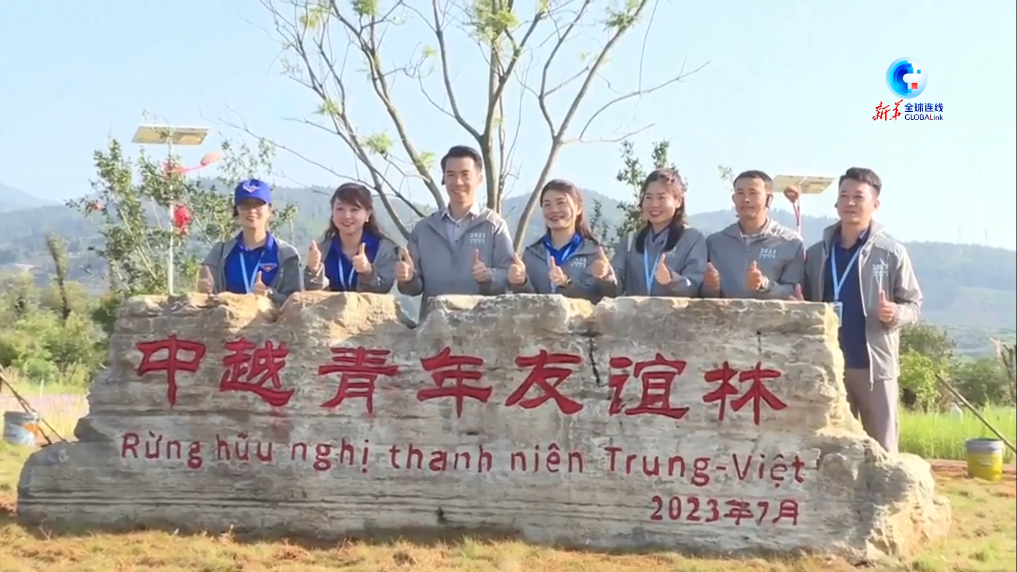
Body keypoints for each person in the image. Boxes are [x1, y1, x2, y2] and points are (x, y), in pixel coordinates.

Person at [801, 167, 922, 455]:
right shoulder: (818, 253)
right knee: (834, 448)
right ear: (836, 203)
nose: (850, 203)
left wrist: (895, 314)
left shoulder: (891, 252)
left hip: (874, 368)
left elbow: (914, 305)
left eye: (858, 197)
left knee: (883, 450)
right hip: (829, 365)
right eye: (844, 196)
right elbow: (807, 300)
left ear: (875, 205)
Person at [396, 145, 514, 320]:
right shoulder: (425, 229)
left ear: (479, 178)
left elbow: (509, 275)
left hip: (482, 328)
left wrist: (489, 276)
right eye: (451, 175)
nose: (458, 182)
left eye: (465, 175)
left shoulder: (493, 225)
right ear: (443, 179)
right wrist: (408, 278)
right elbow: (413, 288)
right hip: (434, 326)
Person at [701, 170, 805, 299]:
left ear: (769, 199)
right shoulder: (715, 243)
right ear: (733, 199)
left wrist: (764, 284)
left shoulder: (790, 242)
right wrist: (711, 287)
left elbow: (794, 291)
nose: (746, 199)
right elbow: (703, 295)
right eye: (740, 193)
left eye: (753, 193)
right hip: (725, 313)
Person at [508, 179, 616, 301]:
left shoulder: (594, 253)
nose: (554, 210)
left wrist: (605, 277)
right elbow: (527, 303)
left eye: (561, 203)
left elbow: (609, 295)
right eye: (547, 204)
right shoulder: (531, 254)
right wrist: (521, 283)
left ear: (578, 208)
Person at [198, 178, 302, 304]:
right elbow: (209, 293)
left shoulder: (286, 254)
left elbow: (295, 301)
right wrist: (206, 288)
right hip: (228, 315)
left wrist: (270, 294)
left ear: (269, 210)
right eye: (245, 205)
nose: (251, 210)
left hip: (270, 317)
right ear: (236, 210)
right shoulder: (220, 252)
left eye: (258, 204)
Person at [607, 168, 707, 297]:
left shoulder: (693, 239)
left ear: (678, 201)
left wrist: (672, 280)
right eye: (648, 197)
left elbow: (695, 285)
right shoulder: (630, 241)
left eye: (661, 197)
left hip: (674, 311)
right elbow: (615, 285)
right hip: (635, 310)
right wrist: (605, 276)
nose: (654, 204)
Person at [304, 182, 398, 294]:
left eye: (354, 210)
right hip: (331, 306)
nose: (347, 216)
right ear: (333, 212)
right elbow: (315, 293)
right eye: (340, 209)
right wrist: (314, 270)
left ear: (368, 214)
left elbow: (383, 290)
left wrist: (368, 272)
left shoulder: (383, 249)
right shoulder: (323, 249)